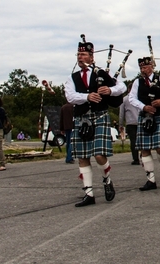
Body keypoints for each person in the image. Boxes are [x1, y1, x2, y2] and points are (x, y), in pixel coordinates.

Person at [65, 38, 126, 207]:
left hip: (99, 116)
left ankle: (107, 180)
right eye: (78, 54)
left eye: (83, 54)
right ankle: (89, 193)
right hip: (81, 118)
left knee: (99, 155)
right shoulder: (73, 78)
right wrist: (86, 96)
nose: (80, 57)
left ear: (91, 57)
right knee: (83, 157)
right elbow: (69, 96)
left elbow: (122, 87)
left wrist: (110, 90)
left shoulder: (100, 73)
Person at [128, 56, 160, 191]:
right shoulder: (137, 82)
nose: (143, 70)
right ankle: (150, 179)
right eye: (141, 68)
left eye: (145, 67)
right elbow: (132, 98)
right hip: (144, 116)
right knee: (144, 149)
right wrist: (143, 107)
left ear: (152, 66)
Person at [119, 83, 141, 165]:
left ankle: (136, 159)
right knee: (141, 139)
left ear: (128, 89)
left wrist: (120, 124)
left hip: (130, 122)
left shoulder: (124, 99)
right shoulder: (139, 98)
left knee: (133, 141)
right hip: (140, 121)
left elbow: (121, 113)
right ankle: (144, 154)